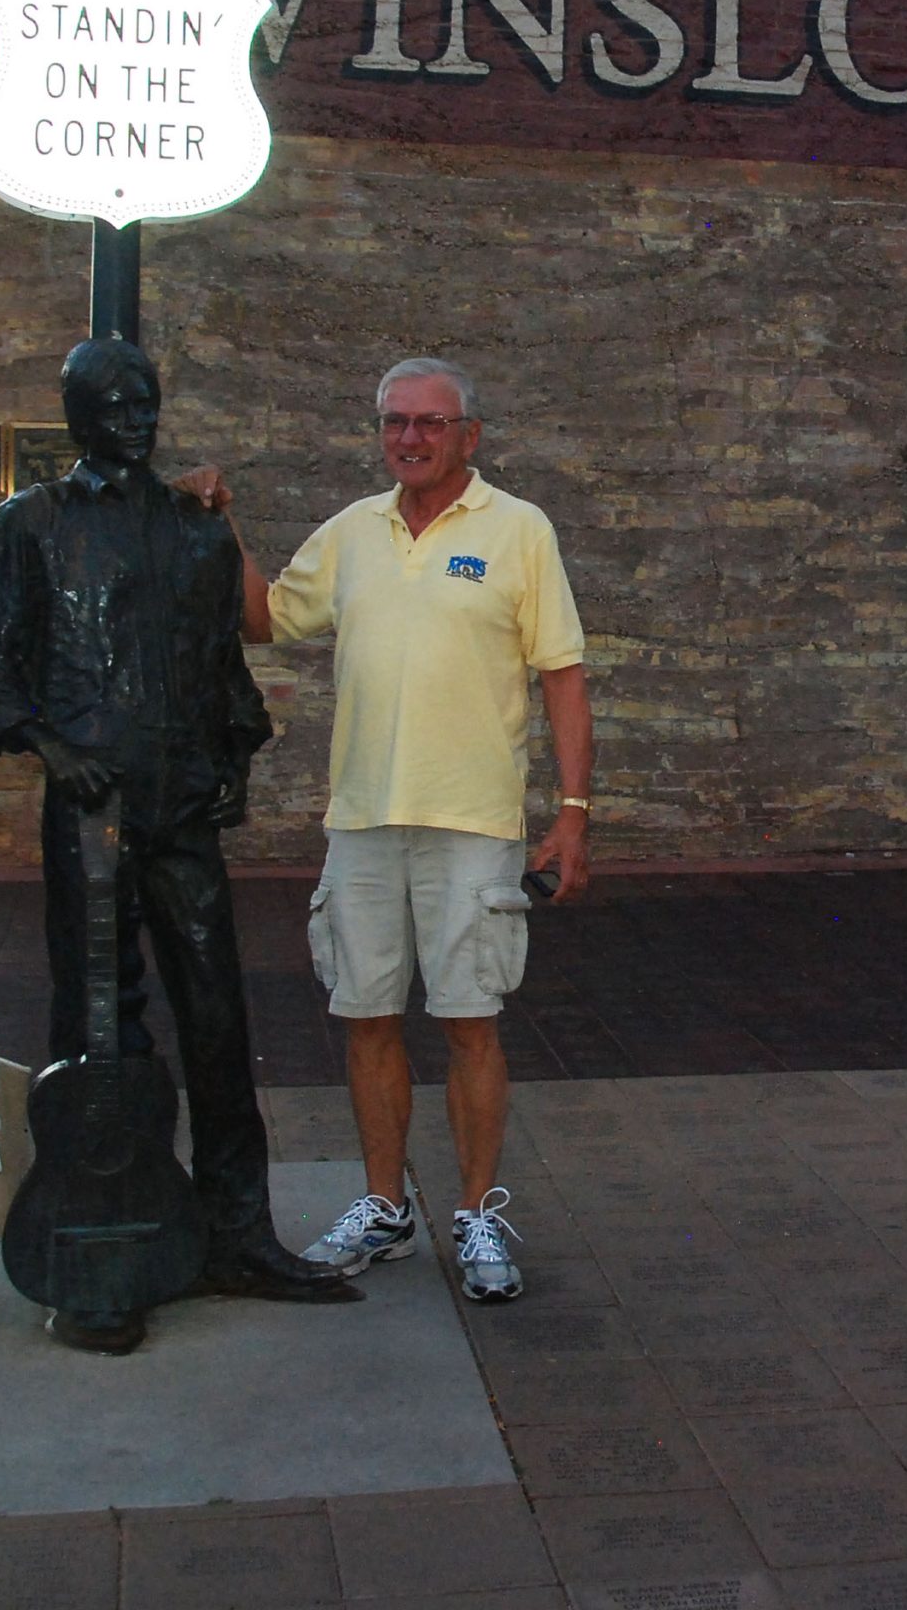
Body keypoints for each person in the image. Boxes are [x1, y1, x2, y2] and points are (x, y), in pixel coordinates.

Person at [0, 339, 353, 1346]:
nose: (135, 418)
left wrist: (233, 763)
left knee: (218, 1018)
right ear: (76, 411)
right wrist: (54, 747)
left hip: (181, 808)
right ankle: (99, 1248)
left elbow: (224, 665)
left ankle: (237, 1231)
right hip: (89, 813)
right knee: (96, 1024)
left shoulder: (193, 528)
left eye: (148, 401)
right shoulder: (32, 523)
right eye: (114, 402)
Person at [185, 356, 591, 1303]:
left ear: (470, 436)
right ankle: (385, 1207)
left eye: (431, 423)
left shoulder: (520, 530)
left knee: (470, 1023)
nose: (410, 438)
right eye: (394, 422)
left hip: (472, 825)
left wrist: (572, 815)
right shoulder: (352, 534)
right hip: (363, 820)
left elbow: (563, 674)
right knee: (365, 1019)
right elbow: (264, 620)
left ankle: (479, 1214)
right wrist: (218, 524)